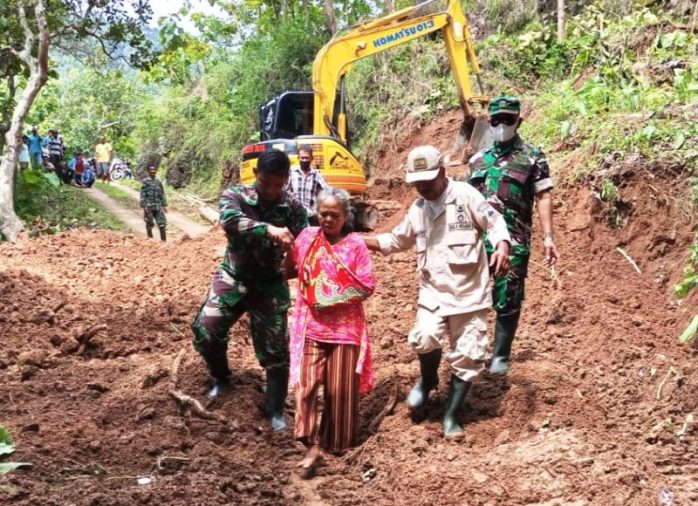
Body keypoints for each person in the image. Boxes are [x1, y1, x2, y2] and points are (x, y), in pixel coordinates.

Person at [363, 145, 511, 439]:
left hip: (469, 293)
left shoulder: (466, 196)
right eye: (418, 184)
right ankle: (428, 380)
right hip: (433, 292)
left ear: (443, 172)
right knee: (425, 337)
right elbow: (395, 240)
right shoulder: (418, 210)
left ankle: (452, 413)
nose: (423, 188)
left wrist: (503, 246)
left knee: (469, 355)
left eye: (428, 182)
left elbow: (494, 222)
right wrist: (358, 240)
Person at [190, 150, 308, 431]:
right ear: (256, 174)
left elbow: (304, 242)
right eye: (265, 182)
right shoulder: (236, 196)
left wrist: (292, 266)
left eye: (277, 184)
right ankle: (221, 378)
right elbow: (229, 220)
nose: (270, 190)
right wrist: (267, 228)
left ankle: (275, 410)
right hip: (235, 277)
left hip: (269, 283)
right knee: (206, 329)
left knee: (276, 351)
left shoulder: (293, 208)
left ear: (286, 180)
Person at [467, 95, 559, 375]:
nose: (502, 125)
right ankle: (474, 350)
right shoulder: (477, 160)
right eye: (497, 120)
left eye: (509, 119)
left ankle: (500, 356)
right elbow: (465, 200)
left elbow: (543, 196)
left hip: (516, 239)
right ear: (489, 122)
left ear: (519, 121)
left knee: (509, 296)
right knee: (472, 296)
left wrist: (548, 237)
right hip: (477, 242)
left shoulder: (533, 157)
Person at [289, 188, 376, 472]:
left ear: (346, 216)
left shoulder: (355, 246)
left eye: (334, 215)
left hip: (345, 329)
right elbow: (292, 267)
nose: (327, 219)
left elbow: (366, 285)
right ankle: (311, 444)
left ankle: (335, 448)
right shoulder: (307, 239)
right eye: (323, 213)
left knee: (340, 392)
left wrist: (332, 294)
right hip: (311, 325)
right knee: (306, 386)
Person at [285, 145, 330, 225]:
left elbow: (327, 191)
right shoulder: (291, 172)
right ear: (298, 158)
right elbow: (285, 191)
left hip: (311, 215)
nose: (304, 160)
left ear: (311, 158)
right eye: (302, 158)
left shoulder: (316, 174)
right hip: (294, 214)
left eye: (307, 158)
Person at [140, 165, 168, 241]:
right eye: (151, 170)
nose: (153, 171)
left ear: (156, 171)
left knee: (162, 224)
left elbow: (162, 193)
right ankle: (150, 240)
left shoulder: (158, 182)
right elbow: (142, 194)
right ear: (148, 171)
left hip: (158, 206)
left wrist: (164, 205)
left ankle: (164, 241)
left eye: (154, 169)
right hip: (148, 206)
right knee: (149, 223)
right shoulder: (145, 182)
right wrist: (144, 205)